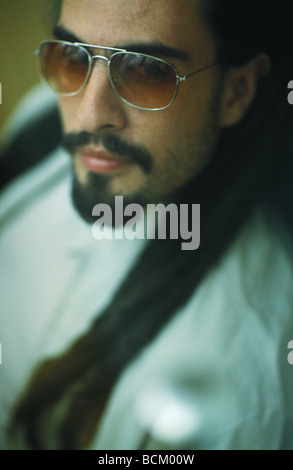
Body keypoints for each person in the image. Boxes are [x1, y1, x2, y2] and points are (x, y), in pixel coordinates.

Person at [0, 0, 293, 450]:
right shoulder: (39, 122)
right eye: (74, 55)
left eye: (146, 70)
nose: (90, 114)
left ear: (236, 91)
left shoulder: (234, 386)